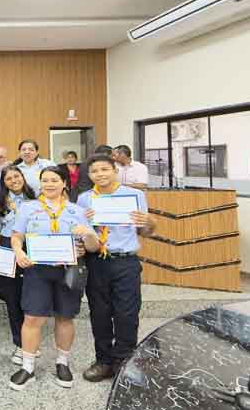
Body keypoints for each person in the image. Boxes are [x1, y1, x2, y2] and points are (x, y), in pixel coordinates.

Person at [8, 166, 99, 390]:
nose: (49, 184)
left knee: (65, 318)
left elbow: (92, 246)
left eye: (54, 180)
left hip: (67, 271)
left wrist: (87, 237)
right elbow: (17, 236)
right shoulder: (28, 208)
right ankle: (27, 367)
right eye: (45, 180)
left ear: (64, 183)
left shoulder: (77, 211)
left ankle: (62, 363)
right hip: (37, 271)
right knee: (32, 318)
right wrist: (19, 252)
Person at [78, 154, 154, 382]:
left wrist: (147, 221)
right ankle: (103, 361)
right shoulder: (84, 199)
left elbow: (146, 231)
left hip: (125, 261)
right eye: (94, 171)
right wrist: (87, 224)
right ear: (89, 175)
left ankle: (124, 361)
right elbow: (82, 233)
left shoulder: (135, 195)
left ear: (115, 171)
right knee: (99, 313)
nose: (100, 174)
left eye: (104, 169)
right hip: (97, 261)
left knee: (127, 314)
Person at [0, 165, 36, 365]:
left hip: (32, 247)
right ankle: (19, 343)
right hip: (7, 246)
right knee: (12, 297)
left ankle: (31, 341)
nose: (14, 180)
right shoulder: (1, 202)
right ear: (4, 182)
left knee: (32, 296)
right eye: (8, 178)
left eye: (16, 176)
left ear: (23, 177)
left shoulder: (36, 199)